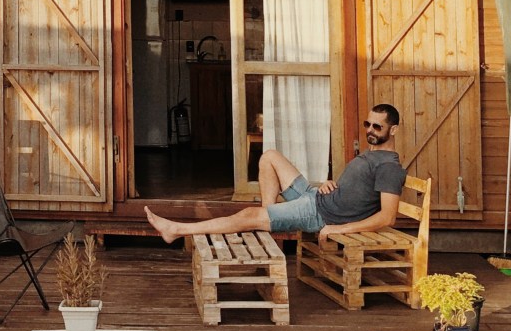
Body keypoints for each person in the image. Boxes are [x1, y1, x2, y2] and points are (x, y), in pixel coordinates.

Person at [145, 104, 406, 245]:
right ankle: (269, 220)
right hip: (316, 196)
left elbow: (387, 217)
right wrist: (331, 183)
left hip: (319, 214)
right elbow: (358, 189)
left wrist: (340, 228)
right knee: (270, 156)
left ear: (392, 131)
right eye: (367, 124)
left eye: (377, 126)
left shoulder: (389, 167)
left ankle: (175, 230)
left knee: (248, 215)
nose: (370, 130)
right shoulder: (372, 156)